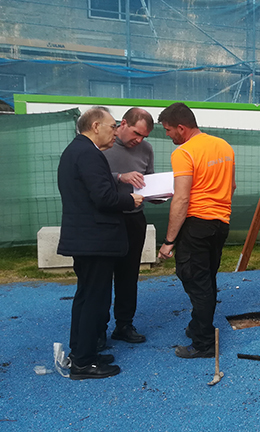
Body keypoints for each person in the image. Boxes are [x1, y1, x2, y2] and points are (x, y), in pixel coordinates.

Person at [57, 106, 143, 379]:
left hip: (86, 238)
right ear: (95, 126)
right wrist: (130, 200)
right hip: (94, 240)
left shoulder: (76, 151)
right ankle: (84, 362)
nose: (115, 132)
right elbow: (103, 197)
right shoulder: (89, 154)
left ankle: (82, 352)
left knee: (86, 297)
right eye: (112, 126)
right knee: (94, 299)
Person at [157, 102, 236, 359]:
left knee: (195, 280)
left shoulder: (184, 152)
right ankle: (197, 326)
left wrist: (169, 241)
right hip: (220, 223)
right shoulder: (224, 146)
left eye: (168, 130)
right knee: (207, 279)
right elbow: (232, 186)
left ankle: (203, 343)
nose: (167, 135)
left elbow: (181, 199)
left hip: (196, 224)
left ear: (181, 128)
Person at [101, 107, 155, 347]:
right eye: (136, 133)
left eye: (144, 136)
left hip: (135, 218)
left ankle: (124, 324)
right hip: (107, 218)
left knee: (129, 274)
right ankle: (98, 328)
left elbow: (148, 180)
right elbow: (92, 178)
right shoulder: (103, 144)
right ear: (123, 124)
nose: (139, 140)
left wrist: (158, 194)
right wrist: (120, 177)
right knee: (101, 275)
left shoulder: (147, 149)